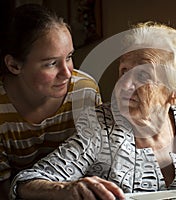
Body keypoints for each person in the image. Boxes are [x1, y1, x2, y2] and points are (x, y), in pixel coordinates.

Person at [10, 21, 176, 200]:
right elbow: (25, 181)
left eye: (142, 74)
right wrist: (66, 189)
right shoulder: (100, 128)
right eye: (124, 71)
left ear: (174, 93)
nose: (125, 84)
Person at [0, 4, 101, 198]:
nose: (67, 73)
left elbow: (95, 164)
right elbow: (3, 190)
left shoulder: (85, 93)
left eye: (69, 57)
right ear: (14, 65)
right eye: (51, 63)